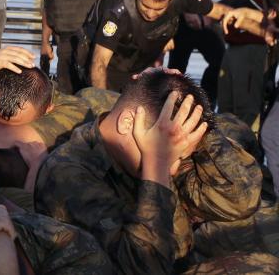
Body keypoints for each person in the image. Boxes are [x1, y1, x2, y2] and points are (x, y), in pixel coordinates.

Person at [35, 68, 262, 274]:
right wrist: (157, 164)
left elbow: (241, 201)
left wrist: (197, 120)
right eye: (170, 158)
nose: (174, 169)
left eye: (179, 156)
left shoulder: (153, 144)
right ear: (127, 123)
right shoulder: (69, 174)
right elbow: (143, 266)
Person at [78, 0, 231, 91]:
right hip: (110, 65)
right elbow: (99, 62)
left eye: (158, 9)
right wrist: (102, 104)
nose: (151, 14)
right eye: (145, 6)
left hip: (142, 64)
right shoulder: (118, 8)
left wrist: (252, 24)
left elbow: (219, 11)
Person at [220, 0, 279, 198]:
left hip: (255, 55)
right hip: (243, 51)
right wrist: (263, 21)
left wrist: (261, 25)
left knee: (267, 133)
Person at [218, 0, 268, 128]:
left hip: (252, 46)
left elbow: (262, 6)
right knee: (225, 109)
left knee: (247, 112)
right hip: (232, 46)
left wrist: (228, 7)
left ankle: (250, 156)